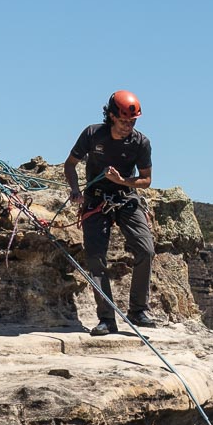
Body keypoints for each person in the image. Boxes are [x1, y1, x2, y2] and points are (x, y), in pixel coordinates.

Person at [64, 90, 155, 335]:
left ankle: (138, 310)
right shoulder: (93, 134)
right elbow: (70, 164)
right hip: (96, 200)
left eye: (133, 122)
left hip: (125, 198)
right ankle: (107, 318)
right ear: (112, 116)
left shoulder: (140, 142)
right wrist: (75, 190)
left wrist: (122, 180)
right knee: (95, 258)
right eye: (125, 121)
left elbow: (146, 180)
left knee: (145, 250)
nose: (129, 126)